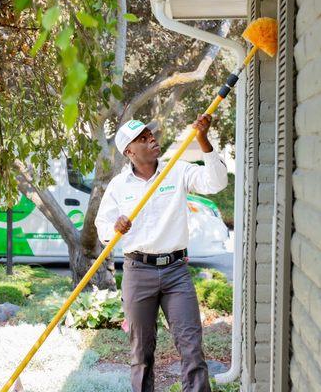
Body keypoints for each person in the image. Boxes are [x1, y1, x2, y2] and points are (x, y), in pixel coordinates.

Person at [94, 114, 228, 392]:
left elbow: (216, 183)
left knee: (191, 348)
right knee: (141, 354)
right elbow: (102, 227)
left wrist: (204, 141)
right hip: (138, 271)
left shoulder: (176, 171)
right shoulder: (120, 186)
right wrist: (115, 226)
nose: (151, 139)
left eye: (150, 135)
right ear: (129, 152)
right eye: (142, 139)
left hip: (176, 271)